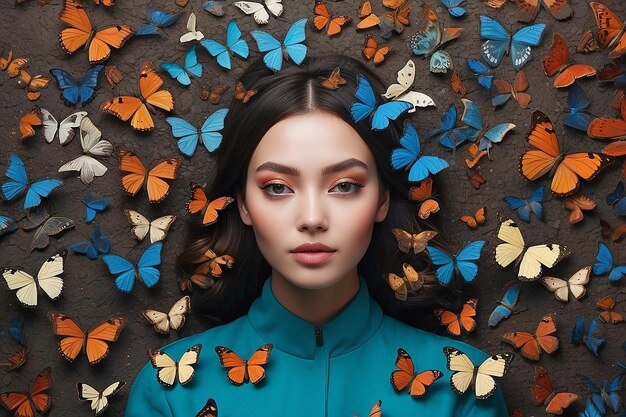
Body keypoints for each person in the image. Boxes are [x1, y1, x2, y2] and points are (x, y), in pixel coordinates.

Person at [124, 54, 509, 417]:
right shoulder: (171, 390)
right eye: (277, 187)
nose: (311, 218)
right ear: (242, 204)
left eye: (344, 186)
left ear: (382, 199)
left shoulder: (463, 390)